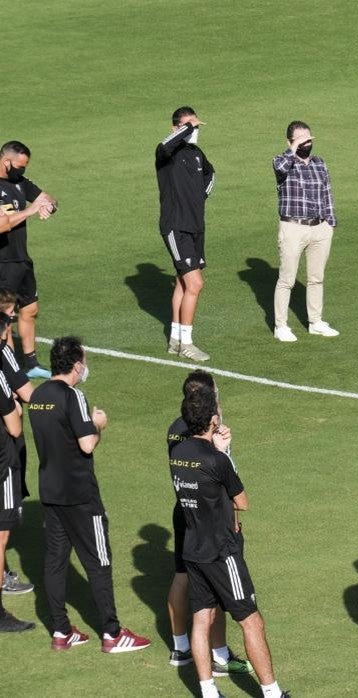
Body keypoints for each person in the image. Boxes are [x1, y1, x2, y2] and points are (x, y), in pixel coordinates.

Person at [29, 336, 151, 652]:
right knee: (99, 561)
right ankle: (112, 634)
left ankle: (60, 631)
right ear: (77, 364)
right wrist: (99, 424)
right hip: (81, 495)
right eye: (83, 360)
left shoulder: (39, 395)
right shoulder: (74, 396)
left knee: (56, 561)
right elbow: (86, 443)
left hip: (50, 491)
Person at [171, 384, 288, 698]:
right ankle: (272, 692)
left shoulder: (177, 453)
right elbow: (243, 501)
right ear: (211, 420)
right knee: (251, 620)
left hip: (193, 548)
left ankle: (208, 691)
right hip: (222, 551)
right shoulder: (216, 460)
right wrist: (225, 453)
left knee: (202, 618)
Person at [166, 370, 251, 676]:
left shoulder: (176, 429)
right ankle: (221, 656)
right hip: (212, 519)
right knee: (220, 589)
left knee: (183, 576)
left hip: (185, 510)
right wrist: (223, 451)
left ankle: (181, 646)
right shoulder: (205, 435)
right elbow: (230, 489)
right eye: (215, 393)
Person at [156, 106, 216, 361]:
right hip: (176, 226)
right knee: (195, 284)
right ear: (176, 128)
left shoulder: (196, 154)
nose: (195, 131)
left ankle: (175, 339)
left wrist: (199, 197)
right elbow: (164, 144)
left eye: (197, 127)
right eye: (189, 127)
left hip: (195, 226)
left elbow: (211, 176)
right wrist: (186, 129)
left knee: (182, 281)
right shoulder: (167, 154)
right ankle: (188, 343)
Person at [272, 120, 340, 342]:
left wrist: (330, 223)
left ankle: (315, 322)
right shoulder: (284, 163)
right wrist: (292, 150)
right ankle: (280, 325)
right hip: (293, 227)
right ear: (290, 141)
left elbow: (327, 193)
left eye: (309, 138)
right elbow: (279, 167)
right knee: (287, 279)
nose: (306, 142)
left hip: (319, 227)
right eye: (301, 139)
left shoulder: (320, 164)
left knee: (316, 278)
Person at [0, 141, 58, 378]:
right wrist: (30, 211)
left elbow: (49, 198)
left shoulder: (20, 182)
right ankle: (10, 368)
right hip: (3, 262)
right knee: (6, 316)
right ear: (6, 161)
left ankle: (31, 363)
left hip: (22, 259)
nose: (22, 171)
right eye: (20, 166)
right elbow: (2, 225)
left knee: (30, 309)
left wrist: (47, 207)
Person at [0, 289, 35, 597]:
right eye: (10, 317)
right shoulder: (2, 351)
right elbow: (17, 414)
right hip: (4, 451)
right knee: (3, 524)